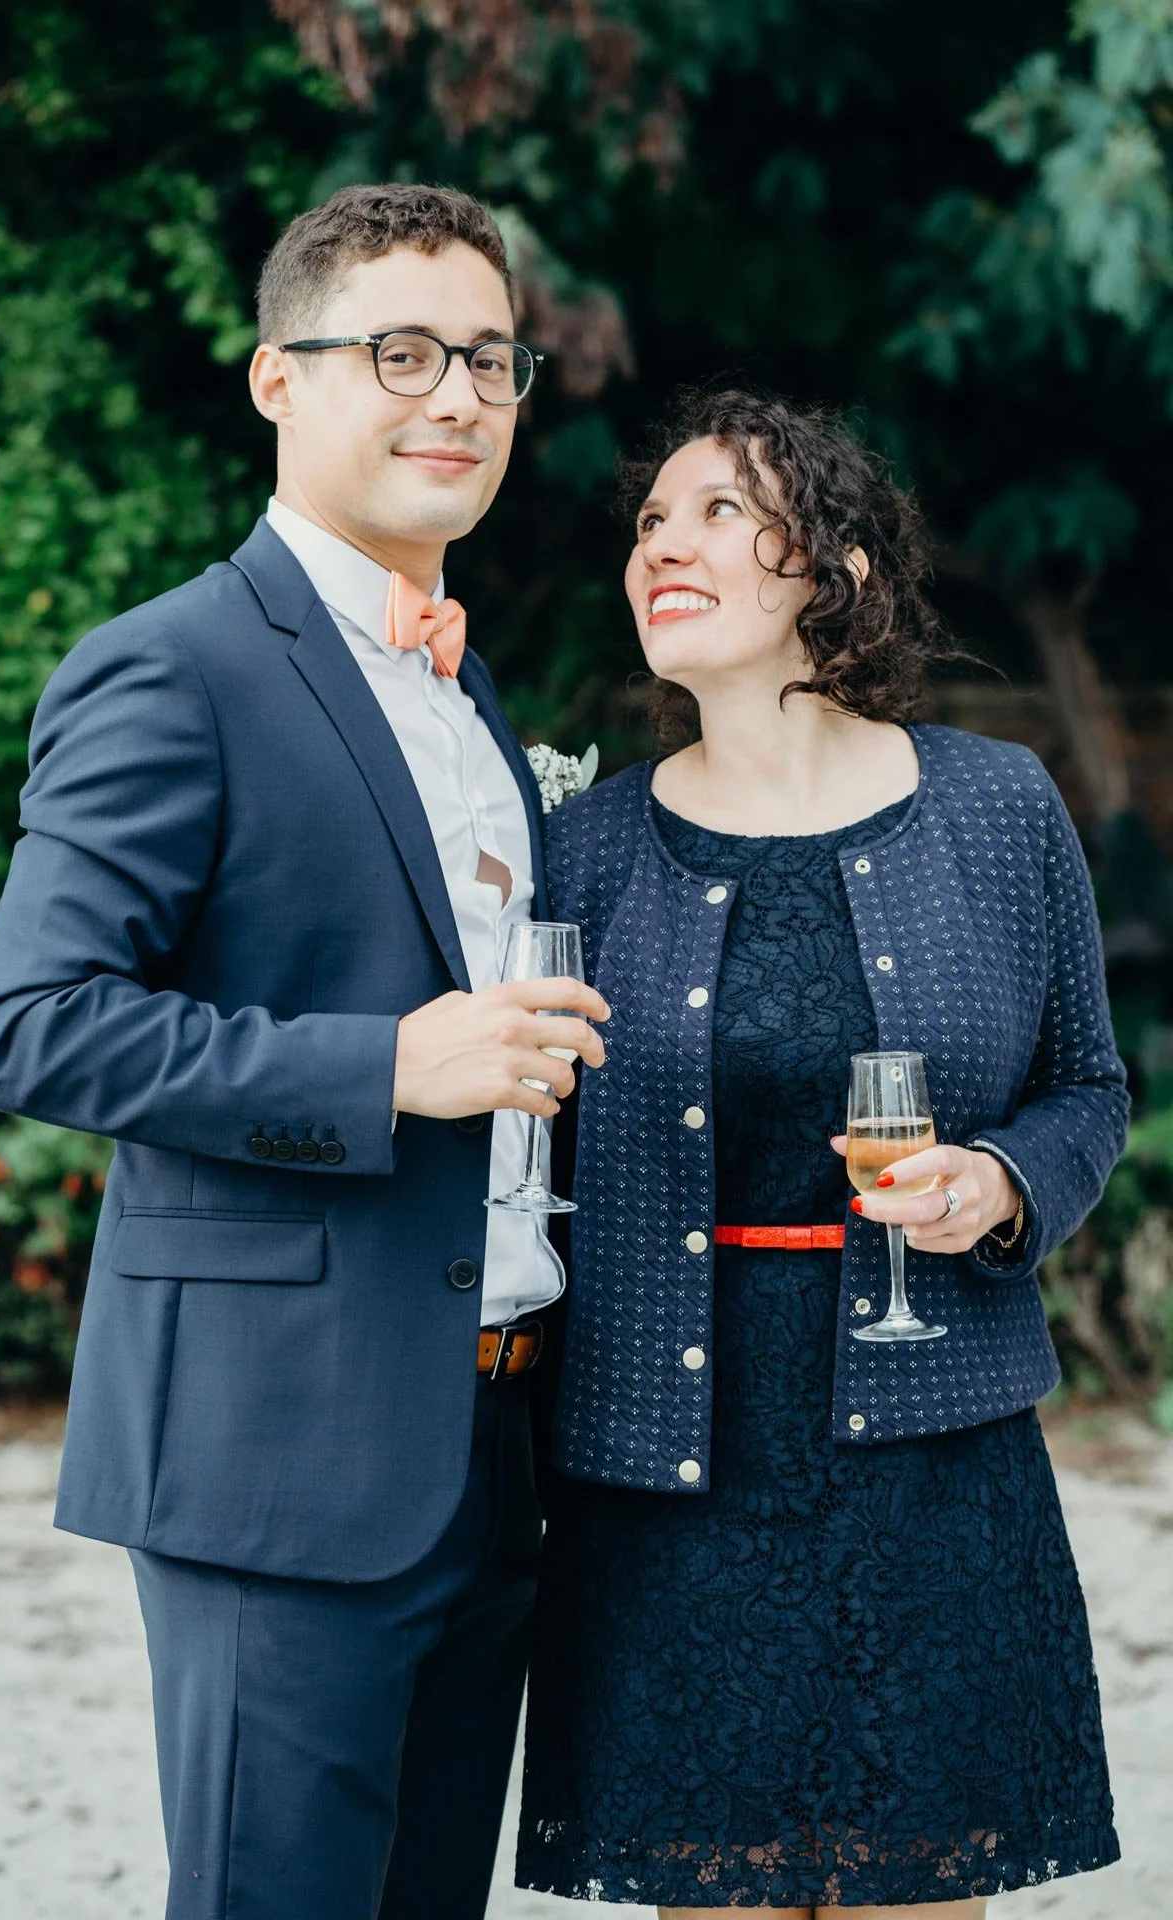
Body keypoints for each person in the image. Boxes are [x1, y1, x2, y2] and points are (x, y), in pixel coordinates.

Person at [0, 181, 608, 1920]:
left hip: (494, 1442)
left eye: (490, 358)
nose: (457, 396)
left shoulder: (473, 691)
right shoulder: (170, 670)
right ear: (277, 380)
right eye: (399, 351)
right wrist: (383, 1068)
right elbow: (32, 1026)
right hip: (281, 1451)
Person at [515, 388, 1126, 1917]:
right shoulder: (577, 850)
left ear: (835, 567)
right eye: (652, 518)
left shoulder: (998, 809)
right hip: (670, 1473)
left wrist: (999, 1185)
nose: (667, 539)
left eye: (721, 509)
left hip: (937, 1468)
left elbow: (1090, 1087)